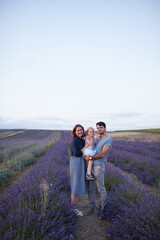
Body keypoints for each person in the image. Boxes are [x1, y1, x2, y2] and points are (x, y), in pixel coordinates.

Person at [84, 121, 113, 217]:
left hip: (98, 167)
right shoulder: (98, 139)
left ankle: (103, 211)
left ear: (104, 128)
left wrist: (91, 158)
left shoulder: (108, 139)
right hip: (91, 166)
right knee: (91, 188)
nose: (99, 129)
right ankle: (91, 208)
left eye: (100, 127)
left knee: (101, 188)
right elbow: (90, 147)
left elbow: (103, 154)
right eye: (97, 128)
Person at [70, 124, 88, 216]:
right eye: (78, 130)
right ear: (74, 132)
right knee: (75, 185)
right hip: (76, 163)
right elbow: (76, 153)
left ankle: (74, 208)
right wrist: (85, 147)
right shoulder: (74, 141)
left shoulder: (82, 140)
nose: (80, 131)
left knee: (77, 184)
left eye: (81, 130)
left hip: (81, 162)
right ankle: (73, 209)